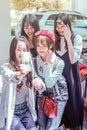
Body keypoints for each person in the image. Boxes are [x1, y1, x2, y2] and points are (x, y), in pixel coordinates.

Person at [0, 36, 45, 130]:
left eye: (24, 50)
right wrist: (20, 74)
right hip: (11, 112)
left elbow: (38, 81)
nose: (21, 52)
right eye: (18, 49)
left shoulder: (30, 67)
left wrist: (40, 85)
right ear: (13, 51)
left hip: (25, 109)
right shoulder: (5, 67)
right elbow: (10, 77)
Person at [33, 30, 68, 130]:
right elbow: (35, 76)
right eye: (38, 46)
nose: (40, 49)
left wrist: (47, 64)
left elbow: (49, 83)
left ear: (51, 45)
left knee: (51, 128)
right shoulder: (35, 60)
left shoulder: (59, 62)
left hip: (59, 97)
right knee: (42, 125)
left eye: (43, 46)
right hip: (43, 95)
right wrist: (37, 82)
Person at [54, 13, 83, 130]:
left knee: (72, 106)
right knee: (60, 111)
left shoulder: (77, 38)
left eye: (62, 26)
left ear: (68, 25)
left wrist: (68, 40)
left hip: (71, 78)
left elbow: (73, 59)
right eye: (57, 26)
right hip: (58, 80)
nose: (59, 29)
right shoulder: (55, 40)